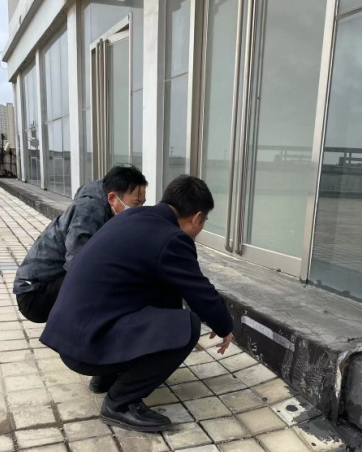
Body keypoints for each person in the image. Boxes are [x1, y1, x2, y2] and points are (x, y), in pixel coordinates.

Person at [40, 175, 234, 432]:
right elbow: (199, 291)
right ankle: (120, 404)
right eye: (204, 221)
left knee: (164, 296)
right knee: (187, 325)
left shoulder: (131, 219)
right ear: (197, 217)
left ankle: (106, 377)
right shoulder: (172, 239)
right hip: (87, 346)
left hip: (72, 338)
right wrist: (224, 326)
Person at [13, 164, 148, 324]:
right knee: (100, 281)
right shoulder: (88, 213)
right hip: (34, 295)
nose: (139, 210)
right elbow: (78, 266)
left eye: (142, 204)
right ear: (112, 198)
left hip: (49, 283)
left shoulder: (107, 204)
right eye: (135, 204)